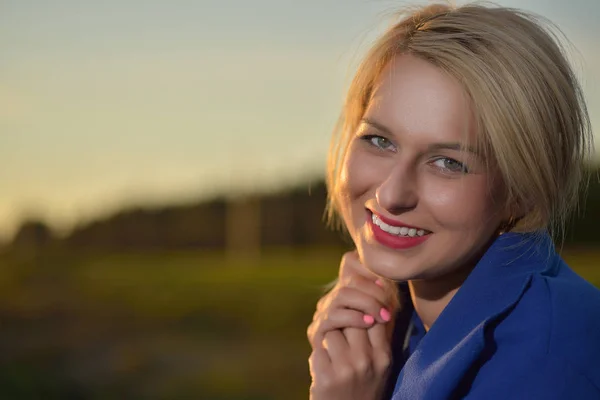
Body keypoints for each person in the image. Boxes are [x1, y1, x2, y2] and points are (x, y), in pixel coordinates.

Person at [306, 3, 600, 399]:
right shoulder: (397, 324)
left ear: (522, 190)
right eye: (380, 140)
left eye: (447, 163)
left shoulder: (549, 359)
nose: (392, 194)